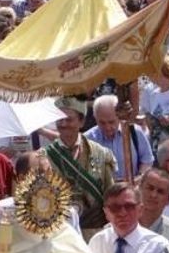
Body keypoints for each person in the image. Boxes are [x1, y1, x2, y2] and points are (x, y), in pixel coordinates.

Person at [41, 96, 116, 237]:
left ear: (81, 121)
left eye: (69, 119)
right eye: (59, 120)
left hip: (96, 233)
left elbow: (110, 194)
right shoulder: (42, 157)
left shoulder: (101, 153)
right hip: (60, 235)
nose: (63, 124)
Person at [84, 94, 153, 181]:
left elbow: (147, 161)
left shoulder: (135, 132)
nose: (107, 127)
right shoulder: (87, 139)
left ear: (119, 117)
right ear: (95, 118)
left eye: (111, 122)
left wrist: (140, 178)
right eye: (102, 123)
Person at [137, 168, 169, 244]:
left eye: (160, 191)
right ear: (139, 189)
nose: (153, 195)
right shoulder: (121, 227)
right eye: (150, 188)